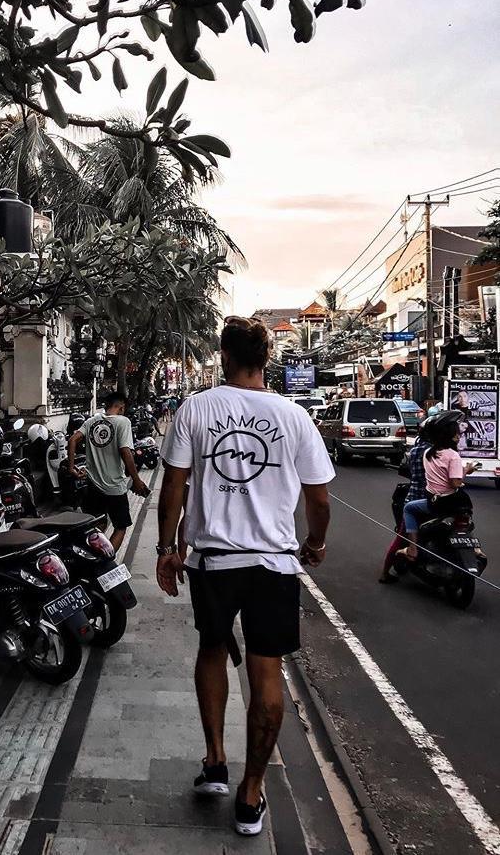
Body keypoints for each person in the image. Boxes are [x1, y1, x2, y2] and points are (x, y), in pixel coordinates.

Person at [156, 316, 334, 837]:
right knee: (266, 670)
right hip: (274, 564)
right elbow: (318, 497)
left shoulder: (197, 407)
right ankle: (252, 792)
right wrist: (316, 542)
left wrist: (168, 549)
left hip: (214, 562)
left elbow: (174, 484)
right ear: (265, 360)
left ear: (226, 357)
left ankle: (215, 760)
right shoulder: (295, 416)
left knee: (212, 648)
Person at [68, 391, 150, 551]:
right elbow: (126, 451)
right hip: (114, 487)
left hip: (92, 486)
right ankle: (105, 562)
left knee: (98, 524)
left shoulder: (91, 421)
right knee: (120, 526)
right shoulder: (123, 422)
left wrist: (71, 468)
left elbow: (72, 440)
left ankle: (94, 558)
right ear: (121, 407)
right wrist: (137, 480)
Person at [398, 410, 478, 560]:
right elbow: (455, 483)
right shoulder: (453, 456)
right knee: (466, 516)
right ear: (450, 436)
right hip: (451, 504)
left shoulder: (427, 453)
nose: (459, 436)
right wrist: (466, 470)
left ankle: (412, 548)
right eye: (457, 433)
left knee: (408, 508)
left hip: (433, 503)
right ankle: (477, 549)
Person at [379, 420, 432, 584]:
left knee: (403, 535)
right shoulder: (433, 452)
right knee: (402, 537)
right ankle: (385, 572)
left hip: (416, 496)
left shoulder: (416, 450)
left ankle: (385, 572)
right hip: (427, 499)